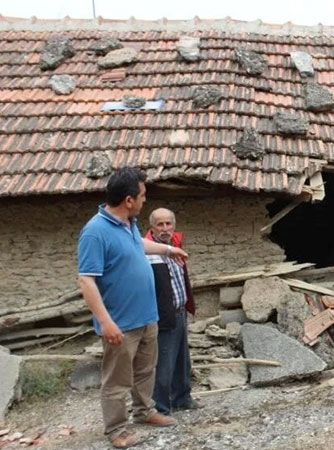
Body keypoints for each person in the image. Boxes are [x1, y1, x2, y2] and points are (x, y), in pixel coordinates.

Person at [77, 167, 188, 449]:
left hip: (147, 316)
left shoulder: (129, 223)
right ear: (129, 199)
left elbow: (137, 246)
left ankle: (144, 411)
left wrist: (167, 249)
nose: (144, 200)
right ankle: (116, 428)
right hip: (120, 322)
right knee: (116, 379)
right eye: (142, 195)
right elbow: (86, 280)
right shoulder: (95, 232)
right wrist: (106, 322)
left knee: (144, 370)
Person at [144, 208, 202, 414]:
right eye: (160, 224)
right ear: (152, 227)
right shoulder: (147, 252)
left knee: (181, 361)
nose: (165, 228)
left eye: (168, 224)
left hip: (179, 312)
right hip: (162, 316)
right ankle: (160, 407)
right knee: (164, 365)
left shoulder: (175, 246)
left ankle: (182, 398)